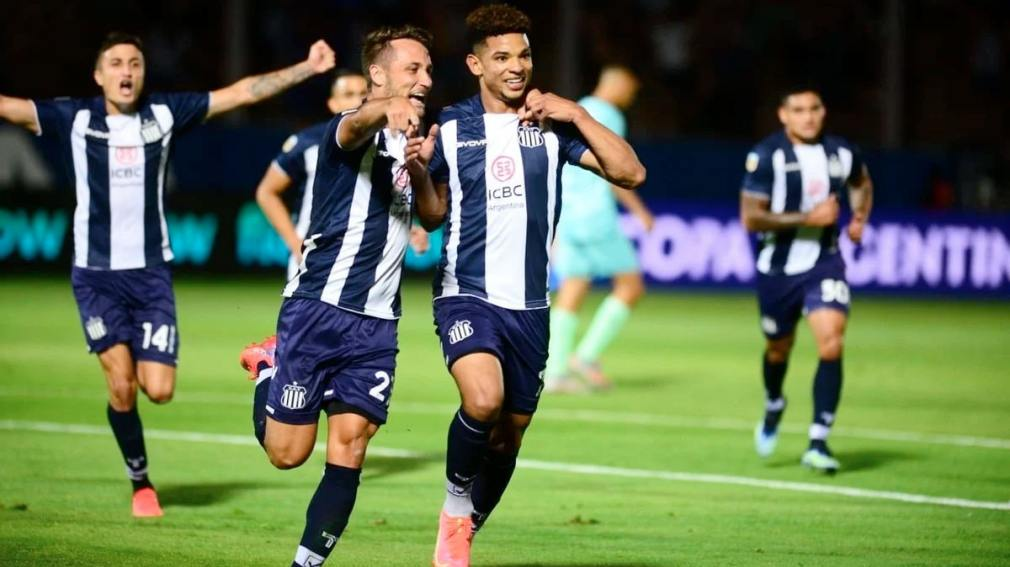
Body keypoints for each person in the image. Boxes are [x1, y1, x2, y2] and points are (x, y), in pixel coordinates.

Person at [0, 31, 335, 517]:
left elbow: (240, 93)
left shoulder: (163, 113)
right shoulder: (75, 117)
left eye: (134, 63)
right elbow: (10, 108)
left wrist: (306, 67)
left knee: (158, 390)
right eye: (116, 63)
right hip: (95, 276)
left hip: (150, 276)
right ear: (99, 75)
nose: (126, 71)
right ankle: (141, 483)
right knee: (121, 384)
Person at [424, 5, 646, 565]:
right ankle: (454, 509)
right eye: (501, 57)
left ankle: (468, 527)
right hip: (466, 292)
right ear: (476, 64)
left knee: (509, 436)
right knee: (484, 399)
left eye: (523, 55)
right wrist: (420, 175)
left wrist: (576, 113)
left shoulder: (551, 125)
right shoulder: (450, 126)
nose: (516, 66)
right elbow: (431, 212)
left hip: (529, 305)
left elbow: (630, 173)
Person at [238, 25, 442, 567]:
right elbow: (355, 126)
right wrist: (386, 109)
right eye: (412, 69)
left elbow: (432, 216)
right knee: (287, 454)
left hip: (377, 324)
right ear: (378, 74)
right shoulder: (346, 129)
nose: (424, 79)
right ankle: (267, 367)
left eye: (428, 69)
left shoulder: (421, 140)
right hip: (318, 309)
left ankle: (304, 565)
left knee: (351, 446)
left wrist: (422, 170)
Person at [739, 86, 873, 474]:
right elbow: (751, 217)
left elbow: (862, 183)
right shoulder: (767, 155)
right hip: (777, 270)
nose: (808, 116)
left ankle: (818, 441)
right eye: (798, 110)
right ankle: (774, 401)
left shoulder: (841, 152)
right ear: (784, 115)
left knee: (831, 342)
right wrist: (807, 218)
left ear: (823, 111)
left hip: (824, 262)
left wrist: (859, 216)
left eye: (814, 108)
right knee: (777, 349)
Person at [545, 65, 653, 393]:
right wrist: (640, 211)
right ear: (617, 85)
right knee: (631, 285)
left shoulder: (575, 108)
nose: (630, 97)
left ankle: (556, 372)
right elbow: (615, 170)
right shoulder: (607, 115)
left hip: (568, 214)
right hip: (594, 215)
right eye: (630, 90)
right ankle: (587, 356)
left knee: (573, 287)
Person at [255, 69, 369, 280]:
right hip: (315, 258)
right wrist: (295, 244)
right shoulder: (309, 142)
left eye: (364, 94)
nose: (358, 101)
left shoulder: (384, 143)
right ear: (333, 104)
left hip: (364, 259)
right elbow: (266, 192)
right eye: (349, 94)